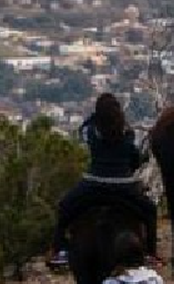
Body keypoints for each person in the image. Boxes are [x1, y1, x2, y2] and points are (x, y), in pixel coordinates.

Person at [48, 93, 158, 269]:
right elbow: (135, 159)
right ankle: (150, 254)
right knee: (150, 212)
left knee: (64, 206)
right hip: (124, 187)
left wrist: (93, 117)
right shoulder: (127, 134)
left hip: (93, 183)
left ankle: (59, 250)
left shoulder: (92, 131)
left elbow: (82, 130)